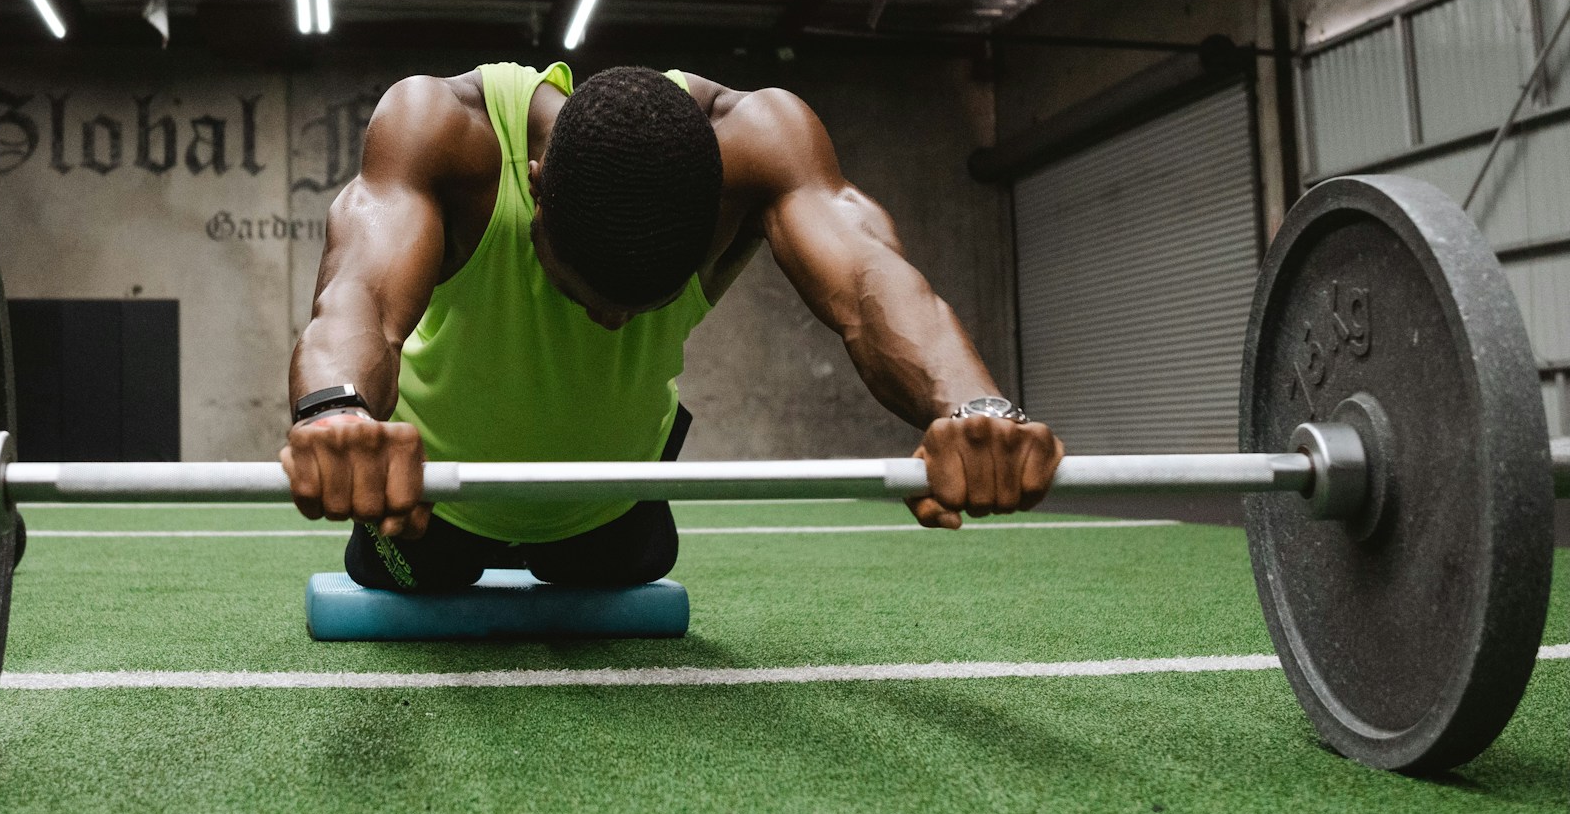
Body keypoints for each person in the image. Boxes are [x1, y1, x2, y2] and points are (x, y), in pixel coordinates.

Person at [283, 62, 1063, 591]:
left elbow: (869, 282)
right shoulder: (444, 130)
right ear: (536, 189)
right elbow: (361, 298)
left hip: (612, 503)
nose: (609, 319)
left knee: (632, 563)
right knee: (411, 574)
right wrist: (337, 409)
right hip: (432, 505)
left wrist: (972, 406)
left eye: (638, 304)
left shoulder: (760, 139)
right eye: (585, 289)